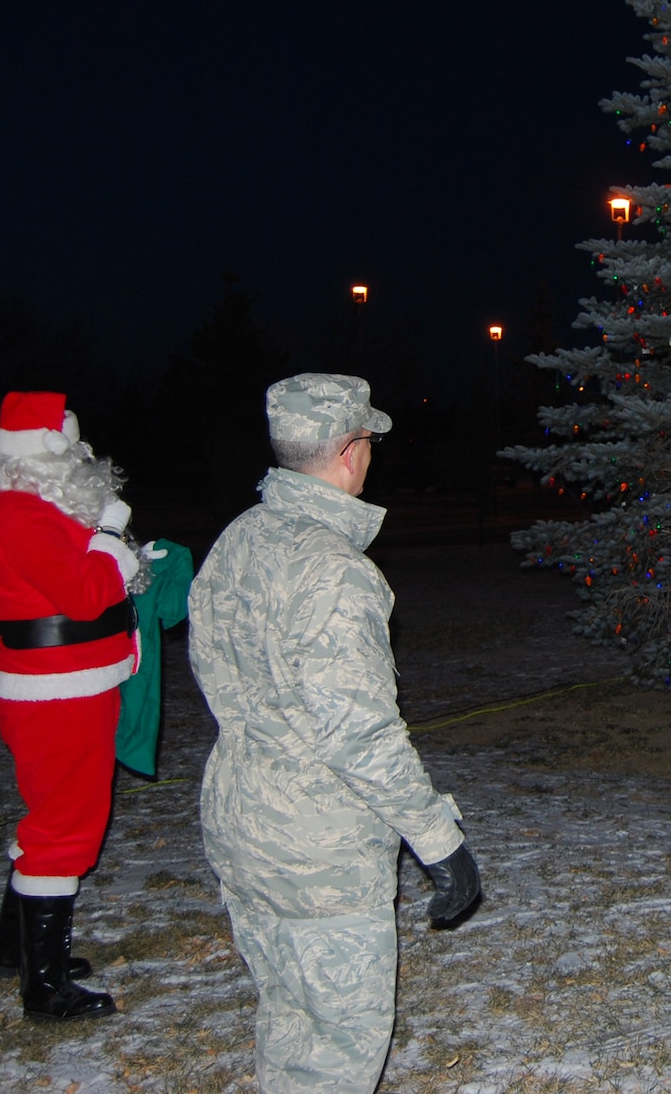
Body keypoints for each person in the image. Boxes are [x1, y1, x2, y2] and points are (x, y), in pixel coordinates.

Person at [189, 373, 480, 1093]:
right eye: (369, 442)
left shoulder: (238, 539)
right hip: (318, 851)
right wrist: (438, 838)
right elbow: (361, 732)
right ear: (351, 449)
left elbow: (212, 668)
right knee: (336, 1054)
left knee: (290, 1019)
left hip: (242, 819)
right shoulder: (336, 574)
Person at [0, 391, 146, 1020]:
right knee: (66, 825)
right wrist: (112, 534)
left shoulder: (27, 507)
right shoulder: (18, 514)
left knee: (53, 814)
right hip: (59, 688)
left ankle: (20, 952)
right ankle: (47, 988)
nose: (87, 455)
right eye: (74, 445)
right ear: (46, 454)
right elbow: (86, 593)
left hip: (67, 680)